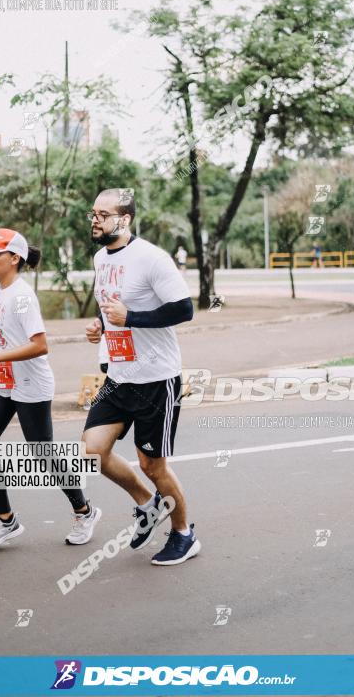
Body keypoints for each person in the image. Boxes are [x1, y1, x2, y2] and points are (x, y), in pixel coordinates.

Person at [0, 227, 101, 551]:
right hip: (3, 383)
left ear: (14, 258)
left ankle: (85, 511)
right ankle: (6, 520)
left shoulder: (22, 297)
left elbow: (40, 345)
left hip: (31, 385)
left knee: (43, 452)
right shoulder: (0, 291)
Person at [83, 188, 201, 565]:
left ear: (126, 219)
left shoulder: (152, 258)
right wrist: (101, 325)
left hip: (156, 380)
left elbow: (184, 309)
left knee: (153, 465)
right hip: (119, 377)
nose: (96, 220)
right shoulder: (101, 258)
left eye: (104, 214)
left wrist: (129, 319)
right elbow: (114, 304)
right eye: (93, 214)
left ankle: (184, 534)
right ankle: (148, 505)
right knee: (92, 452)